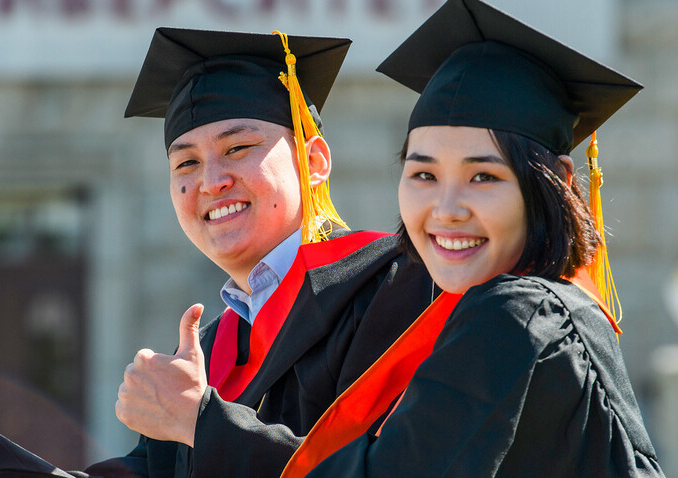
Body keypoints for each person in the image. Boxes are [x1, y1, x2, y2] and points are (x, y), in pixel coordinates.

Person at [0, 28, 434, 478]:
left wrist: (200, 423)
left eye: (238, 148)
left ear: (314, 160)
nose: (211, 181)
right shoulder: (214, 347)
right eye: (185, 164)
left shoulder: (396, 288)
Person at [280, 0, 665, 476]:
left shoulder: (517, 316)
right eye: (423, 174)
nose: (446, 210)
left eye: (483, 177)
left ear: (559, 182)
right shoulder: (558, 315)